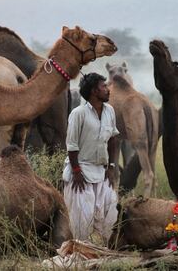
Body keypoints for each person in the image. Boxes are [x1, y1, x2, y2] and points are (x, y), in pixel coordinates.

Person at [62, 73, 119, 242]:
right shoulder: (78, 113)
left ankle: (108, 254)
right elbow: (71, 146)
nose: (108, 90)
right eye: (104, 87)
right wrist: (77, 172)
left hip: (102, 173)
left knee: (111, 217)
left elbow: (113, 139)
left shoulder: (110, 111)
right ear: (94, 91)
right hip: (80, 174)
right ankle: (78, 257)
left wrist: (112, 167)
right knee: (81, 224)